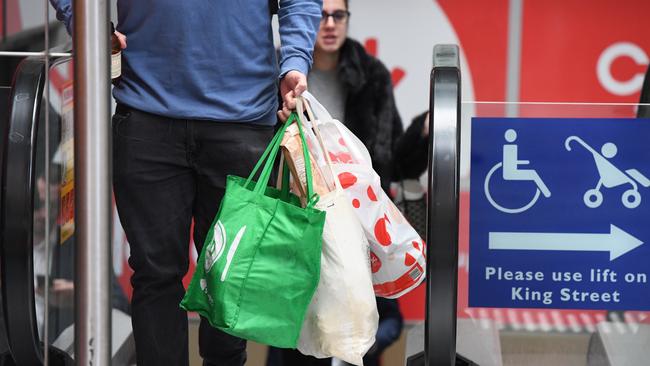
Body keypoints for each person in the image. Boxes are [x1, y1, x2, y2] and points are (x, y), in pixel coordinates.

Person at [49, 1, 323, 365]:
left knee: (230, 273)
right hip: (148, 112)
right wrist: (84, 22)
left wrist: (295, 61)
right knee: (155, 274)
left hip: (242, 119)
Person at [272, 0, 428, 364]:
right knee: (300, 324)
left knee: (361, 319)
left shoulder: (371, 75)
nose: (328, 24)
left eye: (337, 15)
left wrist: (425, 132)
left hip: (356, 217)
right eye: (321, 15)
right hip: (300, 211)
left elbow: (394, 154)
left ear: (346, 20)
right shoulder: (278, 72)